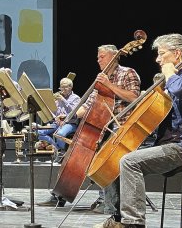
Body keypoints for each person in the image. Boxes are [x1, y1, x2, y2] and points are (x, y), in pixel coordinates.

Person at [94, 33, 182, 228]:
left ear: (177, 54)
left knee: (129, 161)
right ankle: (118, 219)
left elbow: (181, 88)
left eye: (162, 54)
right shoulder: (168, 84)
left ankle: (134, 223)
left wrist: (170, 72)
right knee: (116, 159)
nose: (157, 59)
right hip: (169, 146)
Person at [38, 44, 141, 210]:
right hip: (100, 126)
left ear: (115, 56)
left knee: (103, 160)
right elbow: (88, 105)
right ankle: (60, 194)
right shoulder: (101, 78)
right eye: (98, 57)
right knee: (72, 155)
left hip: (120, 127)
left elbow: (134, 97)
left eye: (102, 57)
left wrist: (109, 84)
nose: (98, 60)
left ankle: (106, 201)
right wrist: (70, 116)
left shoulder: (128, 73)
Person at [35, 77, 81, 157]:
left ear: (70, 87)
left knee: (60, 134)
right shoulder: (58, 99)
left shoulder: (76, 98)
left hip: (70, 123)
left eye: (65, 87)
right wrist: (51, 107)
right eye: (61, 87)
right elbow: (54, 113)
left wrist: (63, 100)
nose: (62, 89)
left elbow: (75, 112)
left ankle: (61, 152)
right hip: (57, 123)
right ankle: (56, 147)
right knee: (38, 133)